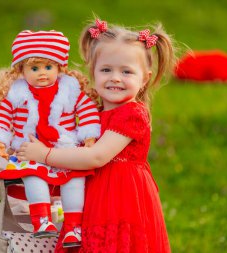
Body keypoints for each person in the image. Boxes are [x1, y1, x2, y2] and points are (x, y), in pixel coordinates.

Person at [16, 19, 176, 252]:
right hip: (96, 198)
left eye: (127, 71)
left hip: (123, 201)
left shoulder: (132, 115)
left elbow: (96, 157)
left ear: (144, 79)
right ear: (93, 72)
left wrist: (45, 154)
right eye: (106, 70)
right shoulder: (95, 115)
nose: (115, 77)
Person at [0, 30, 101, 247]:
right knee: (33, 178)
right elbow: (2, 116)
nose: (42, 73)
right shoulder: (17, 94)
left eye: (48, 67)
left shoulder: (69, 89)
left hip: (65, 149)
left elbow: (87, 110)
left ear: (59, 67)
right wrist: (1, 139)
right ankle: (42, 221)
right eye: (34, 68)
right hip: (29, 149)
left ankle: (73, 227)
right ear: (21, 70)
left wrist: (89, 135)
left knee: (74, 181)